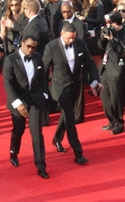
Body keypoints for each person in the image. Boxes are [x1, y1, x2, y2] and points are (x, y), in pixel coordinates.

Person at [42, 22, 102, 163]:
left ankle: (57, 138)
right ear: (61, 34)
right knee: (70, 118)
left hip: (75, 87)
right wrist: (43, 91)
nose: (71, 41)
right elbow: (43, 71)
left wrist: (95, 80)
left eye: (73, 38)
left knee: (66, 113)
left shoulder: (80, 43)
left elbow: (90, 64)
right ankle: (78, 153)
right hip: (59, 88)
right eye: (69, 38)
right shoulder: (51, 47)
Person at [3, 35, 50, 178]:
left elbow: (43, 77)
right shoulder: (10, 59)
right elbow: (8, 84)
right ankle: (13, 152)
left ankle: (41, 165)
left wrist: (44, 93)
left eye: (34, 47)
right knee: (19, 129)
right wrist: (17, 103)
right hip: (18, 101)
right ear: (22, 44)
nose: (31, 50)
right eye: (28, 46)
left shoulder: (37, 57)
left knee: (37, 133)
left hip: (35, 99)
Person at [98, 11, 125, 135]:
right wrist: (102, 36)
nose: (109, 26)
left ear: (116, 24)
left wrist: (112, 39)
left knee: (116, 98)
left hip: (117, 69)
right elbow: (100, 46)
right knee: (104, 96)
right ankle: (111, 120)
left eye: (111, 23)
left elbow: (121, 51)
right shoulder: (109, 31)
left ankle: (119, 123)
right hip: (105, 68)